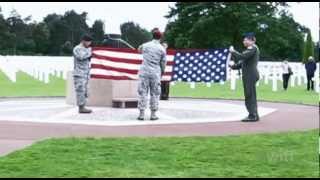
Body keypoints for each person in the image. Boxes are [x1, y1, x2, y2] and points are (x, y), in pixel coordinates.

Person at [229, 32, 260, 122]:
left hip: (250, 75)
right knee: (249, 95)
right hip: (249, 75)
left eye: (246, 39)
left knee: (250, 95)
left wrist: (233, 51)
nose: (244, 41)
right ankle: (254, 114)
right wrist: (232, 66)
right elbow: (242, 62)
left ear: (252, 40)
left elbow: (241, 56)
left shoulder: (252, 48)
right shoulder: (250, 49)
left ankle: (252, 115)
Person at [137, 28, 167, 120]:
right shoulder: (162, 49)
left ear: (152, 36)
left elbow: (139, 49)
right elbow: (163, 63)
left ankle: (141, 114)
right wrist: (162, 72)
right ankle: (153, 114)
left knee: (143, 92)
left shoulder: (145, 45)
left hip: (144, 71)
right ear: (160, 38)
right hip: (155, 72)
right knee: (155, 93)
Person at [73, 34, 93, 113]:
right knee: (80, 90)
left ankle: (83, 106)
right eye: (88, 42)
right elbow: (81, 57)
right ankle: (81, 107)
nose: (89, 44)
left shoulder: (86, 49)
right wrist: (90, 52)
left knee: (85, 91)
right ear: (83, 41)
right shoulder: (78, 48)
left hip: (85, 73)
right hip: (79, 73)